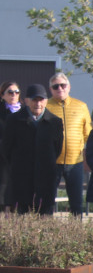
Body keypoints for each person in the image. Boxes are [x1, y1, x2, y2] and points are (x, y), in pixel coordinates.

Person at [2, 84, 63, 214]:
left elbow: (57, 149)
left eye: (41, 100)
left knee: (45, 218)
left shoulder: (54, 122)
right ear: (26, 100)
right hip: (21, 178)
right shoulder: (14, 120)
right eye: (34, 100)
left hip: (45, 178)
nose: (38, 103)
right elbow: (7, 149)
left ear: (46, 101)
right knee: (22, 218)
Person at [46, 72, 91, 216]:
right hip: (52, 161)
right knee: (48, 202)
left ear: (69, 87)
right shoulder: (46, 105)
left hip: (75, 161)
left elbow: (88, 133)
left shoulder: (81, 106)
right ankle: (45, 233)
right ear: (51, 89)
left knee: (76, 202)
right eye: (55, 86)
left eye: (63, 85)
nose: (60, 88)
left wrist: (86, 155)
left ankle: (76, 233)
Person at [0, 81, 20, 210]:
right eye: (10, 92)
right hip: (2, 157)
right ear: (2, 95)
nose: (13, 95)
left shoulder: (25, 111)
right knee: (4, 186)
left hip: (20, 156)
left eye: (16, 92)